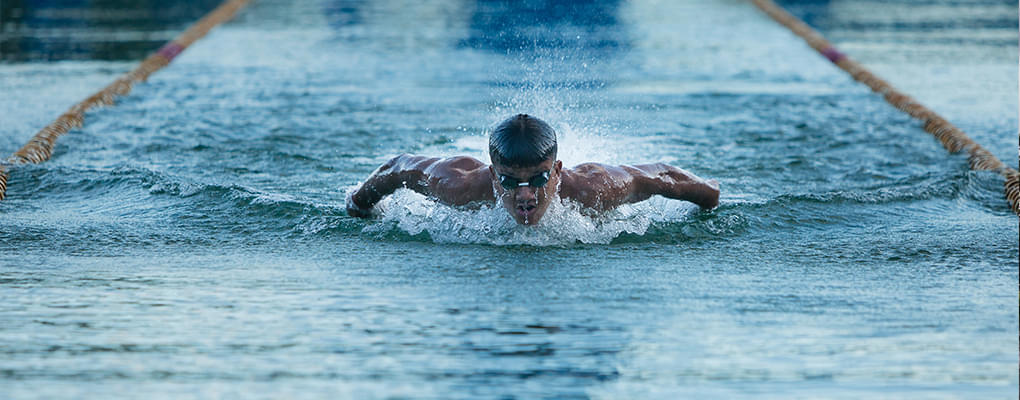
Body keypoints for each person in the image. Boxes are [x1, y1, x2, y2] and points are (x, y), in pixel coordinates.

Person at [346, 114, 720, 225]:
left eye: (539, 179)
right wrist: (360, 205)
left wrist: (709, 195)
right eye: (510, 182)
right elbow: (399, 168)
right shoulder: (458, 186)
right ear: (493, 176)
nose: (525, 195)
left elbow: (657, 176)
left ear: (556, 171)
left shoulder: (593, 189)